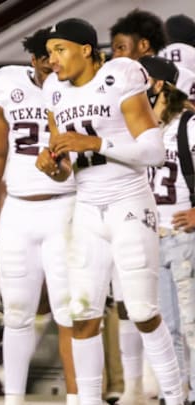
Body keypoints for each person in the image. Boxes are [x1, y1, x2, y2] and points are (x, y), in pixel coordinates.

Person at [37, 17, 183, 405]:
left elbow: (152, 152)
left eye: (60, 50)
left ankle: (174, 395)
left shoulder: (119, 75)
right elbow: (66, 165)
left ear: (86, 50)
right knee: (82, 315)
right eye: (50, 52)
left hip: (129, 204)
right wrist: (54, 167)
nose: (53, 60)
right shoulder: (53, 91)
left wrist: (96, 141)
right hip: (87, 208)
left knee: (142, 311)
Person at [0, 26, 78, 405]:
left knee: (68, 310)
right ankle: (13, 400)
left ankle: (80, 399)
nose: (57, 69)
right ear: (33, 61)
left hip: (67, 205)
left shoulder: (82, 88)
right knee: (15, 313)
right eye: (49, 63)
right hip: (18, 208)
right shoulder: (7, 85)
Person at [140, 54, 195, 404]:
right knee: (168, 328)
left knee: (192, 326)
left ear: (159, 85)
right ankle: (177, 394)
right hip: (151, 238)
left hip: (184, 238)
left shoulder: (189, 125)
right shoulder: (141, 125)